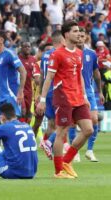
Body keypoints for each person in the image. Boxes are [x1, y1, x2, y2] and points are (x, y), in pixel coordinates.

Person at [37, 20, 93, 178]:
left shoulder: (79, 53)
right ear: (66, 34)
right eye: (75, 31)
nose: (79, 34)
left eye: (79, 31)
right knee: (61, 132)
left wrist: (84, 96)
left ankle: (67, 162)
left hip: (78, 97)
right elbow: (49, 77)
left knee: (88, 129)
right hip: (63, 97)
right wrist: (42, 99)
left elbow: (80, 76)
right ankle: (58, 171)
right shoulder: (57, 54)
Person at [68, 28, 104, 162]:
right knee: (72, 123)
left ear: (86, 37)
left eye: (82, 36)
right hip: (73, 90)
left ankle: (89, 150)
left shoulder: (91, 54)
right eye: (78, 35)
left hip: (88, 90)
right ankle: (74, 151)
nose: (80, 38)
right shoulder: (70, 53)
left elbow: (96, 74)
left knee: (94, 119)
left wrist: (99, 91)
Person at [37, 31, 65, 160]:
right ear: (61, 40)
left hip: (47, 93)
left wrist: (40, 93)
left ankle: (45, 143)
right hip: (57, 92)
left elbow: (43, 75)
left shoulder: (45, 55)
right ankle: (52, 144)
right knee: (65, 122)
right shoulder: (59, 54)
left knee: (52, 124)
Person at [0, 30, 26, 117]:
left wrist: (20, 92)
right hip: (1, 96)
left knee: (11, 122)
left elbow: (23, 71)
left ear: (1, 40)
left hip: (11, 95)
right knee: (5, 124)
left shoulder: (9, 54)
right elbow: (1, 74)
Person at [18, 41, 40, 124]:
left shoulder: (33, 59)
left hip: (29, 90)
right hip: (20, 89)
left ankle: (26, 129)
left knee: (28, 113)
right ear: (21, 48)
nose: (27, 48)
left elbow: (36, 75)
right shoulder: (17, 59)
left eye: (29, 46)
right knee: (22, 111)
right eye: (25, 46)